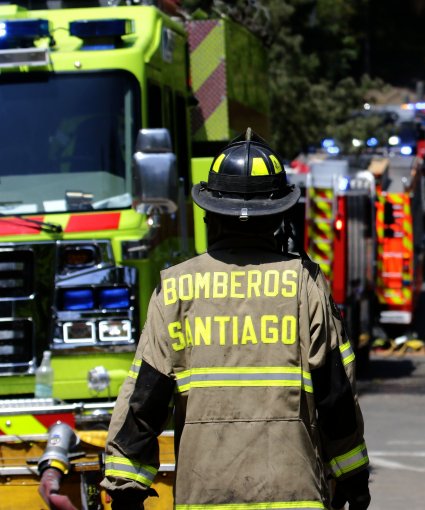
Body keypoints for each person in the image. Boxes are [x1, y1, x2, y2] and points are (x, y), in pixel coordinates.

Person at [99, 129, 371, 509]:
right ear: (279, 218)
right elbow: (335, 395)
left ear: (210, 214)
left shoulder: (176, 290)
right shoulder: (305, 285)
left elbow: (144, 401)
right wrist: (354, 480)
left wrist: (126, 489)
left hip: (203, 499)